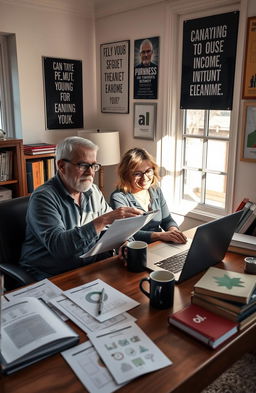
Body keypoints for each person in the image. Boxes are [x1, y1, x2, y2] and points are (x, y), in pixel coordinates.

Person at [19, 136, 142, 280]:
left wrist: (124, 243)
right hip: (49, 275)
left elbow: (114, 227)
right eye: (83, 165)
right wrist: (102, 221)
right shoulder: (43, 198)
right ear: (61, 166)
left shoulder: (93, 191)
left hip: (86, 269)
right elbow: (59, 247)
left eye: (94, 166)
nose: (90, 173)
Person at [110, 148, 187, 244]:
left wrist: (173, 231)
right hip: (136, 249)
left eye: (148, 171)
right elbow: (128, 234)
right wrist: (161, 235)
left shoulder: (155, 189)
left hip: (159, 244)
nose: (145, 178)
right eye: (137, 174)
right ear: (126, 175)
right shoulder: (118, 197)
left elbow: (167, 220)